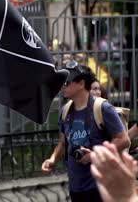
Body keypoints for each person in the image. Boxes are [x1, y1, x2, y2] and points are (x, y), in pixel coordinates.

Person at [41, 61, 130, 202]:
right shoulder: (65, 110)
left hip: (100, 185)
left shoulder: (102, 108)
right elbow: (63, 142)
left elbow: (124, 140)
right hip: (75, 186)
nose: (62, 86)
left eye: (67, 82)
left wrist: (93, 156)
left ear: (81, 84)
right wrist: (52, 159)